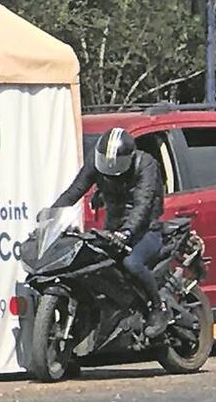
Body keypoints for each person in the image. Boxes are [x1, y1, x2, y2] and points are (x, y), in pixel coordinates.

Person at [53, 127, 169, 337]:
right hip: (113, 228)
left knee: (131, 263)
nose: (110, 170)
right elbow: (75, 191)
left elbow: (142, 205)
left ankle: (158, 307)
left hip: (145, 230)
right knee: (91, 264)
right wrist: (51, 215)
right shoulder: (97, 162)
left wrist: (127, 233)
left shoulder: (146, 164)